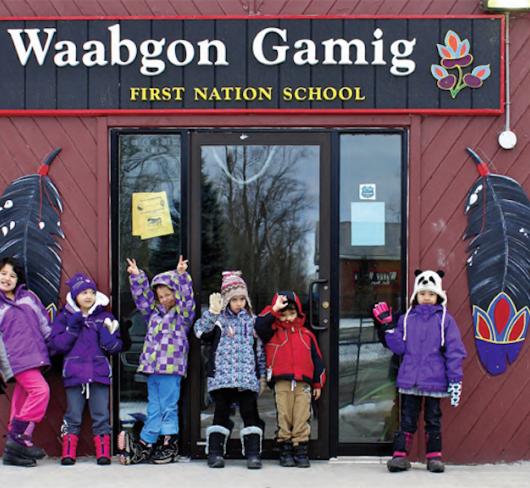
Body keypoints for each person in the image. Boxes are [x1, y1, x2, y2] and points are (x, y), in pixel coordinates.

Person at [372, 269, 466, 474]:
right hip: (410, 380)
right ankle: (400, 456)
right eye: (423, 294)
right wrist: (388, 326)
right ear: (416, 296)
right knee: (407, 419)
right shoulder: (407, 319)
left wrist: (455, 378)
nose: (426, 298)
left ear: (438, 296)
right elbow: (399, 347)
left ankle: (434, 457)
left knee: (432, 419)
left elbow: (454, 350)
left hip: (435, 380)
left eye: (431, 294)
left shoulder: (445, 321)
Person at [118, 255, 195, 465]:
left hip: (171, 368)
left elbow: (188, 299)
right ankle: (148, 441)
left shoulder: (182, 316)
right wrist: (137, 277)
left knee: (168, 407)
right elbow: (142, 299)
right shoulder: (153, 314)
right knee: (154, 406)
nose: (164, 299)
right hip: (152, 368)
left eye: (168, 294)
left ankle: (168, 442)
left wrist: (181, 276)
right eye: (160, 296)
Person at [48, 272, 123, 465]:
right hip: (74, 373)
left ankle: (103, 451)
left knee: (101, 414)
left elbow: (115, 347)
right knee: (73, 414)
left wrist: (107, 336)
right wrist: (72, 329)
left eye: (92, 292)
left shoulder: (104, 317)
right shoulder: (65, 318)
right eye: (83, 293)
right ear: (74, 296)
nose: (88, 296)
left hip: (98, 373)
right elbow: (57, 346)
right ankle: (68, 451)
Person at [194, 271, 266, 469]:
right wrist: (212, 312)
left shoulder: (252, 321)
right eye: (234, 299)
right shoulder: (219, 319)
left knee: (250, 413)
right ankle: (216, 453)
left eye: (242, 299)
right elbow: (200, 331)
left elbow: (259, 350)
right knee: (221, 413)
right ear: (226, 300)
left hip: (245, 378)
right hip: (222, 378)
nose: (239, 303)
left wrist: (261, 376)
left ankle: (253, 453)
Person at [255, 291, 326, 468]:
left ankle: (300, 449)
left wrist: (317, 382)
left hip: (303, 383)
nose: (287, 318)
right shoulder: (272, 332)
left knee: (302, 415)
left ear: (299, 313)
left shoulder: (306, 335)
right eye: (283, 314)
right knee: (284, 415)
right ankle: (285, 448)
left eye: (291, 314)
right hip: (282, 382)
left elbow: (317, 359)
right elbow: (259, 325)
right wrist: (274, 309)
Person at [0, 257, 51, 467]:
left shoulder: (29, 297)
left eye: (12, 275)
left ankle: (14, 452)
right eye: (3, 273)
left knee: (21, 401)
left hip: (36, 357)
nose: (7, 278)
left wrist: (54, 344)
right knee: (41, 391)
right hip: (14, 359)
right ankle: (18, 437)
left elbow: (44, 323)